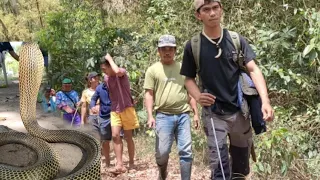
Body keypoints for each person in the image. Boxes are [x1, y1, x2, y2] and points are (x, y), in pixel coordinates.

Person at [180, 0, 274, 179]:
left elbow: (253, 69)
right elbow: (188, 79)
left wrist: (265, 101)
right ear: (198, 15)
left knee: (240, 170)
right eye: (206, 10)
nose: (212, 13)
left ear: (221, 10)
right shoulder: (193, 46)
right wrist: (198, 96)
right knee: (220, 171)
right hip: (215, 115)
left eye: (215, 8)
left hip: (241, 112)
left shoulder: (236, 40)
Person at [144, 34, 200, 180]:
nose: (167, 52)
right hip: (163, 116)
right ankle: (163, 173)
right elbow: (149, 94)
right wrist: (150, 115)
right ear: (159, 51)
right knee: (162, 153)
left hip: (183, 115)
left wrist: (195, 113)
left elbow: (190, 93)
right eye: (164, 49)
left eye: (170, 49)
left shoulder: (183, 68)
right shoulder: (153, 70)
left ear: (175, 50)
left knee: (186, 151)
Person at [100, 53, 140, 174]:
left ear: (110, 66)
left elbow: (117, 71)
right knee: (115, 136)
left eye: (104, 69)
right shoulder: (106, 79)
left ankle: (131, 162)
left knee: (128, 137)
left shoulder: (121, 72)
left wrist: (110, 59)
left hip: (127, 108)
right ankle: (119, 164)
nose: (104, 72)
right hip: (115, 110)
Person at [89, 72, 113, 168]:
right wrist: (93, 106)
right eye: (106, 78)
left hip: (115, 114)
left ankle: (119, 163)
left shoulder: (116, 85)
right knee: (105, 140)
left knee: (116, 137)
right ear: (104, 79)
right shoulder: (99, 88)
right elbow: (93, 99)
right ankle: (107, 163)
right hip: (103, 116)